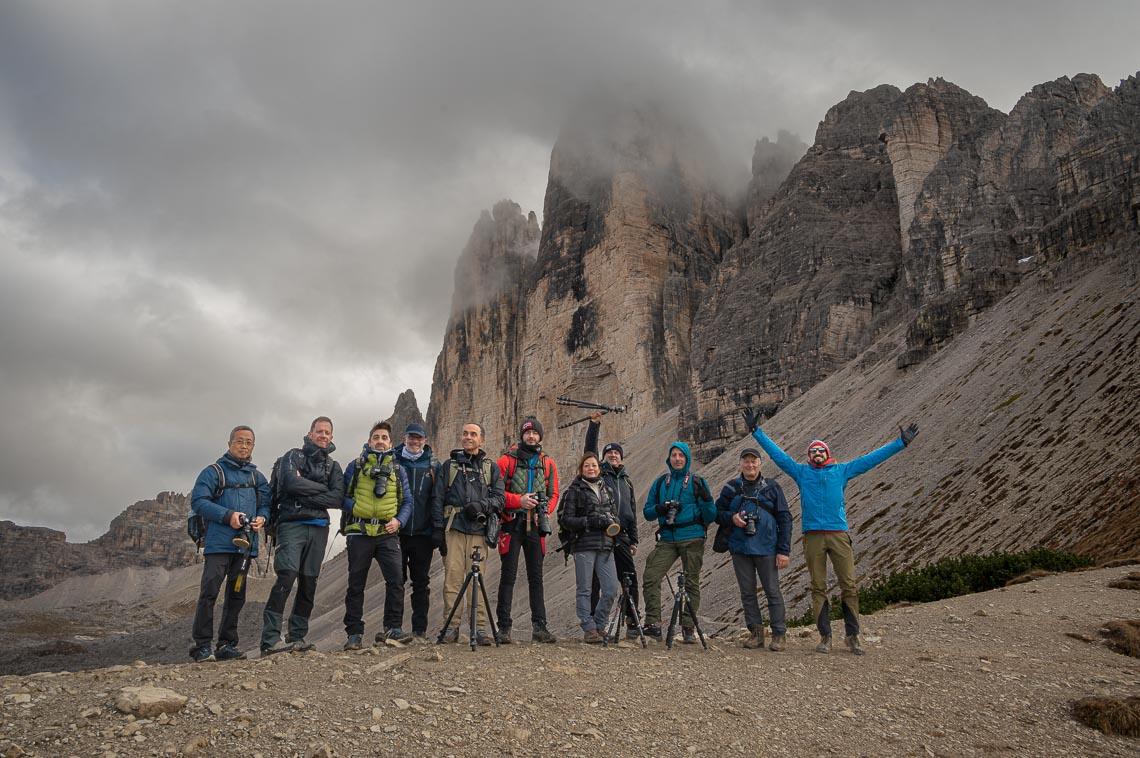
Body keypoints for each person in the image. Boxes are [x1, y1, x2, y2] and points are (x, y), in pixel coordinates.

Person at [742, 408, 919, 655]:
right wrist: (756, 432)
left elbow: (870, 460)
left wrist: (900, 444)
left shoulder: (841, 471)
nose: (816, 454)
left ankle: (852, 636)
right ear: (808, 456)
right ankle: (825, 636)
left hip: (838, 533)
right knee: (818, 586)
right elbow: (779, 457)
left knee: (849, 584)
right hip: (813, 535)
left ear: (827, 454)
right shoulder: (802, 473)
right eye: (812, 451)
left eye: (820, 451)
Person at [259, 416, 345, 655]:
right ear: (310, 434)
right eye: (319, 432)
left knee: (309, 583)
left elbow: (337, 498)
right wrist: (322, 490)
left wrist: (303, 489)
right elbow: (288, 483)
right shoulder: (292, 456)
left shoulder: (334, 466)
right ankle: (270, 640)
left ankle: (297, 636)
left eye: (327, 432)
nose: (323, 436)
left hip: (318, 528)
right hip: (291, 525)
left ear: (331, 437)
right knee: (286, 577)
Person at [189, 425, 271, 662]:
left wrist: (262, 518)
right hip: (218, 545)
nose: (244, 446)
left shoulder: (258, 477)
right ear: (229, 444)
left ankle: (227, 644)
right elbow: (199, 501)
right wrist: (229, 516)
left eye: (249, 443)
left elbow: (265, 503)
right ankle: (202, 646)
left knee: (236, 594)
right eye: (239, 441)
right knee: (210, 592)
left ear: (253, 446)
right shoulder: (213, 472)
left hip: (245, 547)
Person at [340, 421, 413, 650]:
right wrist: (356, 509)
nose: (380, 441)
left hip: (387, 533)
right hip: (359, 532)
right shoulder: (356, 466)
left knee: (396, 581)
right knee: (356, 583)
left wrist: (399, 521)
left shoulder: (398, 469)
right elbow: (341, 495)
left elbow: (407, 501)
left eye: (384, 438)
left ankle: (392, 628)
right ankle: (354, 633)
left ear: (391, 443)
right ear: (369, 441)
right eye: (376, 438)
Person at [431, 422, 505, 645]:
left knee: (478, 580)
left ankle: (480, 629)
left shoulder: (490, 468)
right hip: (454, 529)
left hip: (479, 531)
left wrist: (482, 506)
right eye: (465, 433)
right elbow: (437, 499)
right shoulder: (449, 466)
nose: (468, 437)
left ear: (481, 440)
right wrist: (437, 530)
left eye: (473, 434)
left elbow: (500, 499)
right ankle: (451, 628)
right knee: (452, 579)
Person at [715, 448, 792, 651]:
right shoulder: (731, 488)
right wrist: (731, 518)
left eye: (753, 461)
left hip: (767, 548)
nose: (750, 465)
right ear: (740, 464)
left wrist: (784, 550)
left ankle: (778, 634)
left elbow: (785, 518)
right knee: (747, 592)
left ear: (760, 463)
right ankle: (756, 633)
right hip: (740, 548)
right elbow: (717, 513)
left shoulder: (772, 487)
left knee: (772, 591)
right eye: (746, 461)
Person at [641, 441, 716, 643]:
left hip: (692, 538)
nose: (677, 459)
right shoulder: (660, 483)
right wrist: (661, 509)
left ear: (687, 458)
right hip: (667, 538)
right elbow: (647, 513)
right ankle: (653, 623)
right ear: (669, 458)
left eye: (681, 455)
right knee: (651, 575)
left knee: (691, 581)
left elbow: (711, 515)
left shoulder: (697, 482)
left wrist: (708, 500)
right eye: (674, 455)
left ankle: (688, 626)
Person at [495, 416, 559, 644]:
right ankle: (504, 628)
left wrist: (546, 511)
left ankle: (539, 627)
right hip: (511, 523)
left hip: (536, 527)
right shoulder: (506, 461)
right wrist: (518, 500)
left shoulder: (548, 463)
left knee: (536, 577)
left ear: (540, 436)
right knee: (508, 576)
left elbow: (554, 494)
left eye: (535, 433)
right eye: (527, 433)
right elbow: (496, 493)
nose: (531, 437)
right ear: (521, 436)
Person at [584, 411, 640, 639]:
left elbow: (632, 510)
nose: (613, 455)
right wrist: (594, 425)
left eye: (616, 453)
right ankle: (595, 625)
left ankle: (632, 620)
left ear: (622, 457)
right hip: (601, 534)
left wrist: (634, 538)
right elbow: (589, 452)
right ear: (603, 458)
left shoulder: (626, 480)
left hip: (623, 534)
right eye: (609, 453)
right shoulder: (599, 475)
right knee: (596, 580)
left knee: (629, 576)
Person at [557, 452, 620, 643]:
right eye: (587, 466)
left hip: (606, 545)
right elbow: (565, 520)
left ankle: (600, 624)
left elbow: (615, 514)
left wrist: (612, 521)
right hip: (584, 545)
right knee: (584, 588)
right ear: (581, 469)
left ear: (599, 468)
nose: (591, 468)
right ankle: (589, 627)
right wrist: (590, 521)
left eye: (593, 465)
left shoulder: (606, 489)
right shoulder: (574, 491)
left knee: (610, 589)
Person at [392, 422, 441, 643]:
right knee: (396, 581)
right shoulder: (393, 461)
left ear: (425, 441)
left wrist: (437, 529)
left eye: (418, 438)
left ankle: (419, 631)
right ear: (404, 439)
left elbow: (438, 498)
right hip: (397, 532)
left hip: (423, 535)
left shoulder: (433, 465)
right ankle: (393, 628)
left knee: (421, 583)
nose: (414, 441)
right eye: (411, 438)